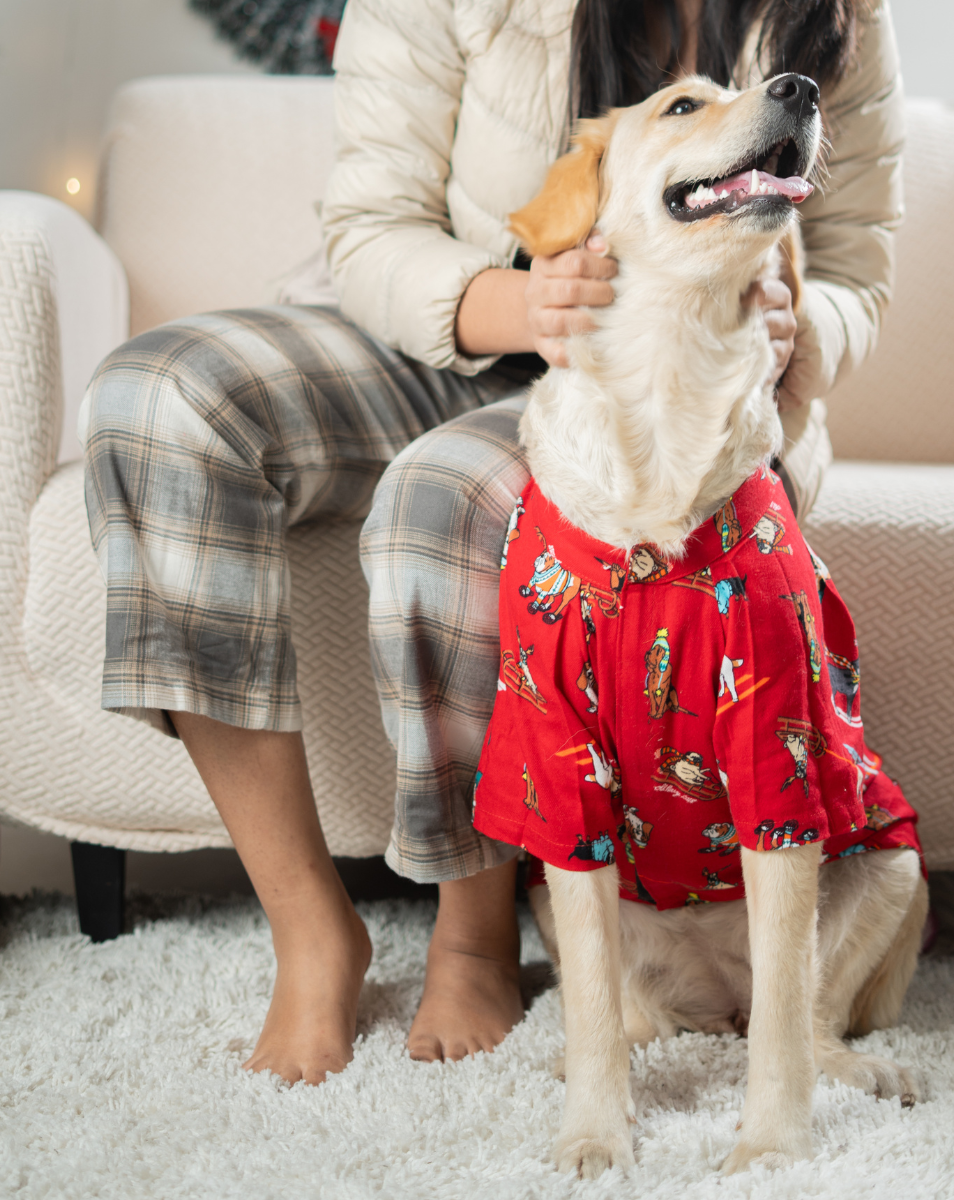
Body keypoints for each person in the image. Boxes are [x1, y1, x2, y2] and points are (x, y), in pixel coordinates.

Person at [80, 0, 903, 1083]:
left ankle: (470, 935)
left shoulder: (837, 18)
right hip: (453, 323)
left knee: (453, 494)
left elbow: (856, 271)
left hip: (684, 387)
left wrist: (802, 328)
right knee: (156, 399)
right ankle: (310, 929)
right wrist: (515, 304)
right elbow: (371, 223)